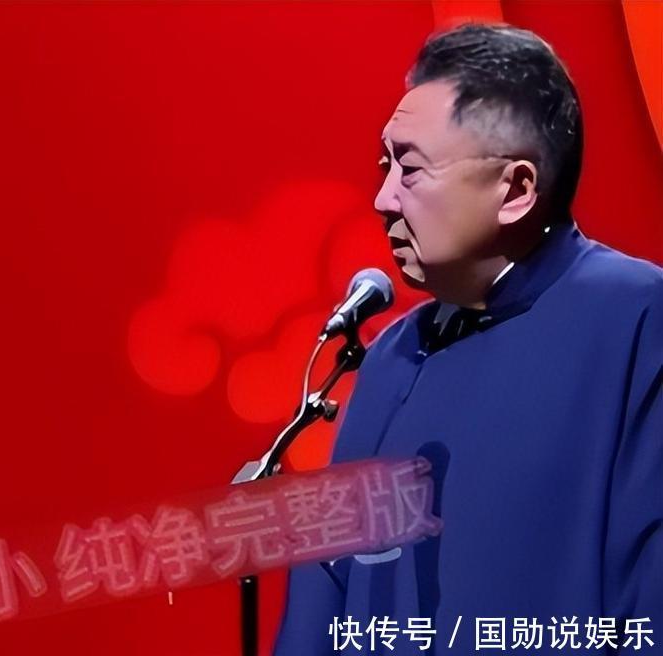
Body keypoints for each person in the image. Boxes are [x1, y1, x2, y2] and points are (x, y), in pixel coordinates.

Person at [275, 24, 662, 654]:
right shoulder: (393, 355)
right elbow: (324, 596)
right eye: (385, 165)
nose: (382, 198)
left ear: (515, 190)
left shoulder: (636, 317)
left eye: (410, 168)